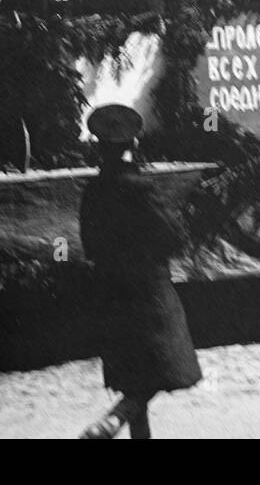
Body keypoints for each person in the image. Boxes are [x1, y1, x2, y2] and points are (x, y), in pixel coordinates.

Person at [78, 105, 201, 439]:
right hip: (150, 292)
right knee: (168, 368)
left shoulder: (93, 191)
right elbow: (174, 237)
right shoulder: (140, 188)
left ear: (99, 148)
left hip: (111, 294)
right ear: (133, 145)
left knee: (134, 372)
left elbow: (89, 245)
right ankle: (114, 419)